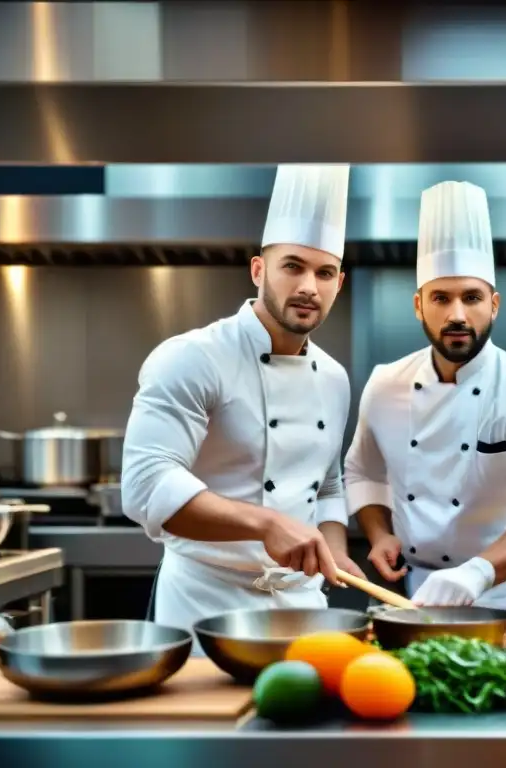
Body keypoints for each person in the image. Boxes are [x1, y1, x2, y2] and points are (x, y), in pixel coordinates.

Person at [122, 164, 365, 639]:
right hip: (203, 605)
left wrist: (332, 549)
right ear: (258, 270)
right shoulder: (193, 357)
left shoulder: (334, 378)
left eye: (325, 272)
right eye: (292, 266)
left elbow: (328, 485)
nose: (308, 287)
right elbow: (146, 485)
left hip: (302, 606)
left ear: (340, 282)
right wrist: (266, 523)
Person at [342, 180, 506, 629]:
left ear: (494, 305)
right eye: (440, 298)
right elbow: (364, 471)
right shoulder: (385, 384)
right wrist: (379, 533)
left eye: (471, 297)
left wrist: (478, 572)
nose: (456, 315)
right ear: (417, 305)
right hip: (418, 595)